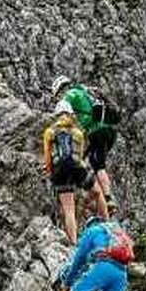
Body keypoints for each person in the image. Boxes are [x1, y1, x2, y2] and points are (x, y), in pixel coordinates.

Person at [51, 75, 119, 215]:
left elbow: (63, 109)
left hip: (96, 130)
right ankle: (99, 200)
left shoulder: (70, 94)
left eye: (58, 94)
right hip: (108, 130)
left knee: (97, 164)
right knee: (94, 162)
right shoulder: (85, 90)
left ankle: (107, 198)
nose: (59, 97)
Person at [40, 101, 101, 244]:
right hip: (76, 168)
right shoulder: (77, 132)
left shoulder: (49, 132)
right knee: (97, 192)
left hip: (59, 170)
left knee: (68, 209)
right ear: (70, 114)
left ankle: (73, 243)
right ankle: (106, 219)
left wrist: (48, 169)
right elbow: (79, 157)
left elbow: (48, 158)